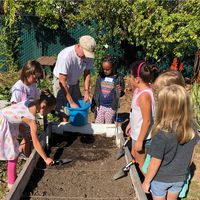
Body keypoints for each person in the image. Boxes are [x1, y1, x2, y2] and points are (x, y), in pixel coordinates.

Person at [142, 85, 199, 200]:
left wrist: (146, 182)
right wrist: (183, 170)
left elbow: (154, 163)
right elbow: (191, 155)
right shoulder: (192, 128)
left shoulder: (161, 134)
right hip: (179, 177)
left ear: (164, 107)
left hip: (160, 179)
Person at [0, 90, 56, 189]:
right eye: (49, 110)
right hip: (3, 123)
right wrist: (45, 158)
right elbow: (36, 142)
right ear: (43, 107)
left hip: (7, 119)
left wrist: (25, 136)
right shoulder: (31, 120)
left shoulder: (30, 102)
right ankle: (11, 183)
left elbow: (18, 116)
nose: (49, 113)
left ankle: (13, 176)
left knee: (14, 149)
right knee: (12, 154)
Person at [53, 35, 96, 121]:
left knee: (78, 106)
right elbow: (62, 81)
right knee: (64, 111)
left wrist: (87, 92)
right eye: (85, 53)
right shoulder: (66, 56)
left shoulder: (88, 56)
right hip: (62, 82)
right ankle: (64, 130)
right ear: (79, 46)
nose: (86, 56)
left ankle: (75, 127)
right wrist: (71, 102)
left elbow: (87, 73)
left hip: (74, 81)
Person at [125, 61, 158, 171]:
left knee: (141, 164)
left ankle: (146, 185)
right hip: (137, 133)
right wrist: (130, 123)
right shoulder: (139, 90)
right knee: (133, 154)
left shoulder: (144, 96)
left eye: (131, 75)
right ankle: (138, 180)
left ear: (137, 79)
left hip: (143, 137)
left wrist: (139, 140)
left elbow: (147, 120)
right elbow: (135, 111)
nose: (129, 78)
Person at [10, 60, 44, 158]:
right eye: (35, 77)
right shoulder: (19, 87)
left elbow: (37, 99)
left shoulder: (33, 85)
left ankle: (24, 157)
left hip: (29, 118)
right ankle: (27, 159)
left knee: (27, 139)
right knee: (26, 138)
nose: (36, 79)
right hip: (20, 119)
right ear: (27, 72)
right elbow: (14, 106)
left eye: (37, 77)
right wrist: (21, 121)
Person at [92, 55, 125, 123]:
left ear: (113, 67)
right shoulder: (100, 77)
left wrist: (120, 90)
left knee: (108, 123)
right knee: (98, 123)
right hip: (100, 106)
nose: (105, 71)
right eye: (104, 69)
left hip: (111, 107)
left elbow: (121, 92)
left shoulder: (118, 78)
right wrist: (94, 103)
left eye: (108, 69)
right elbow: (96, 91)